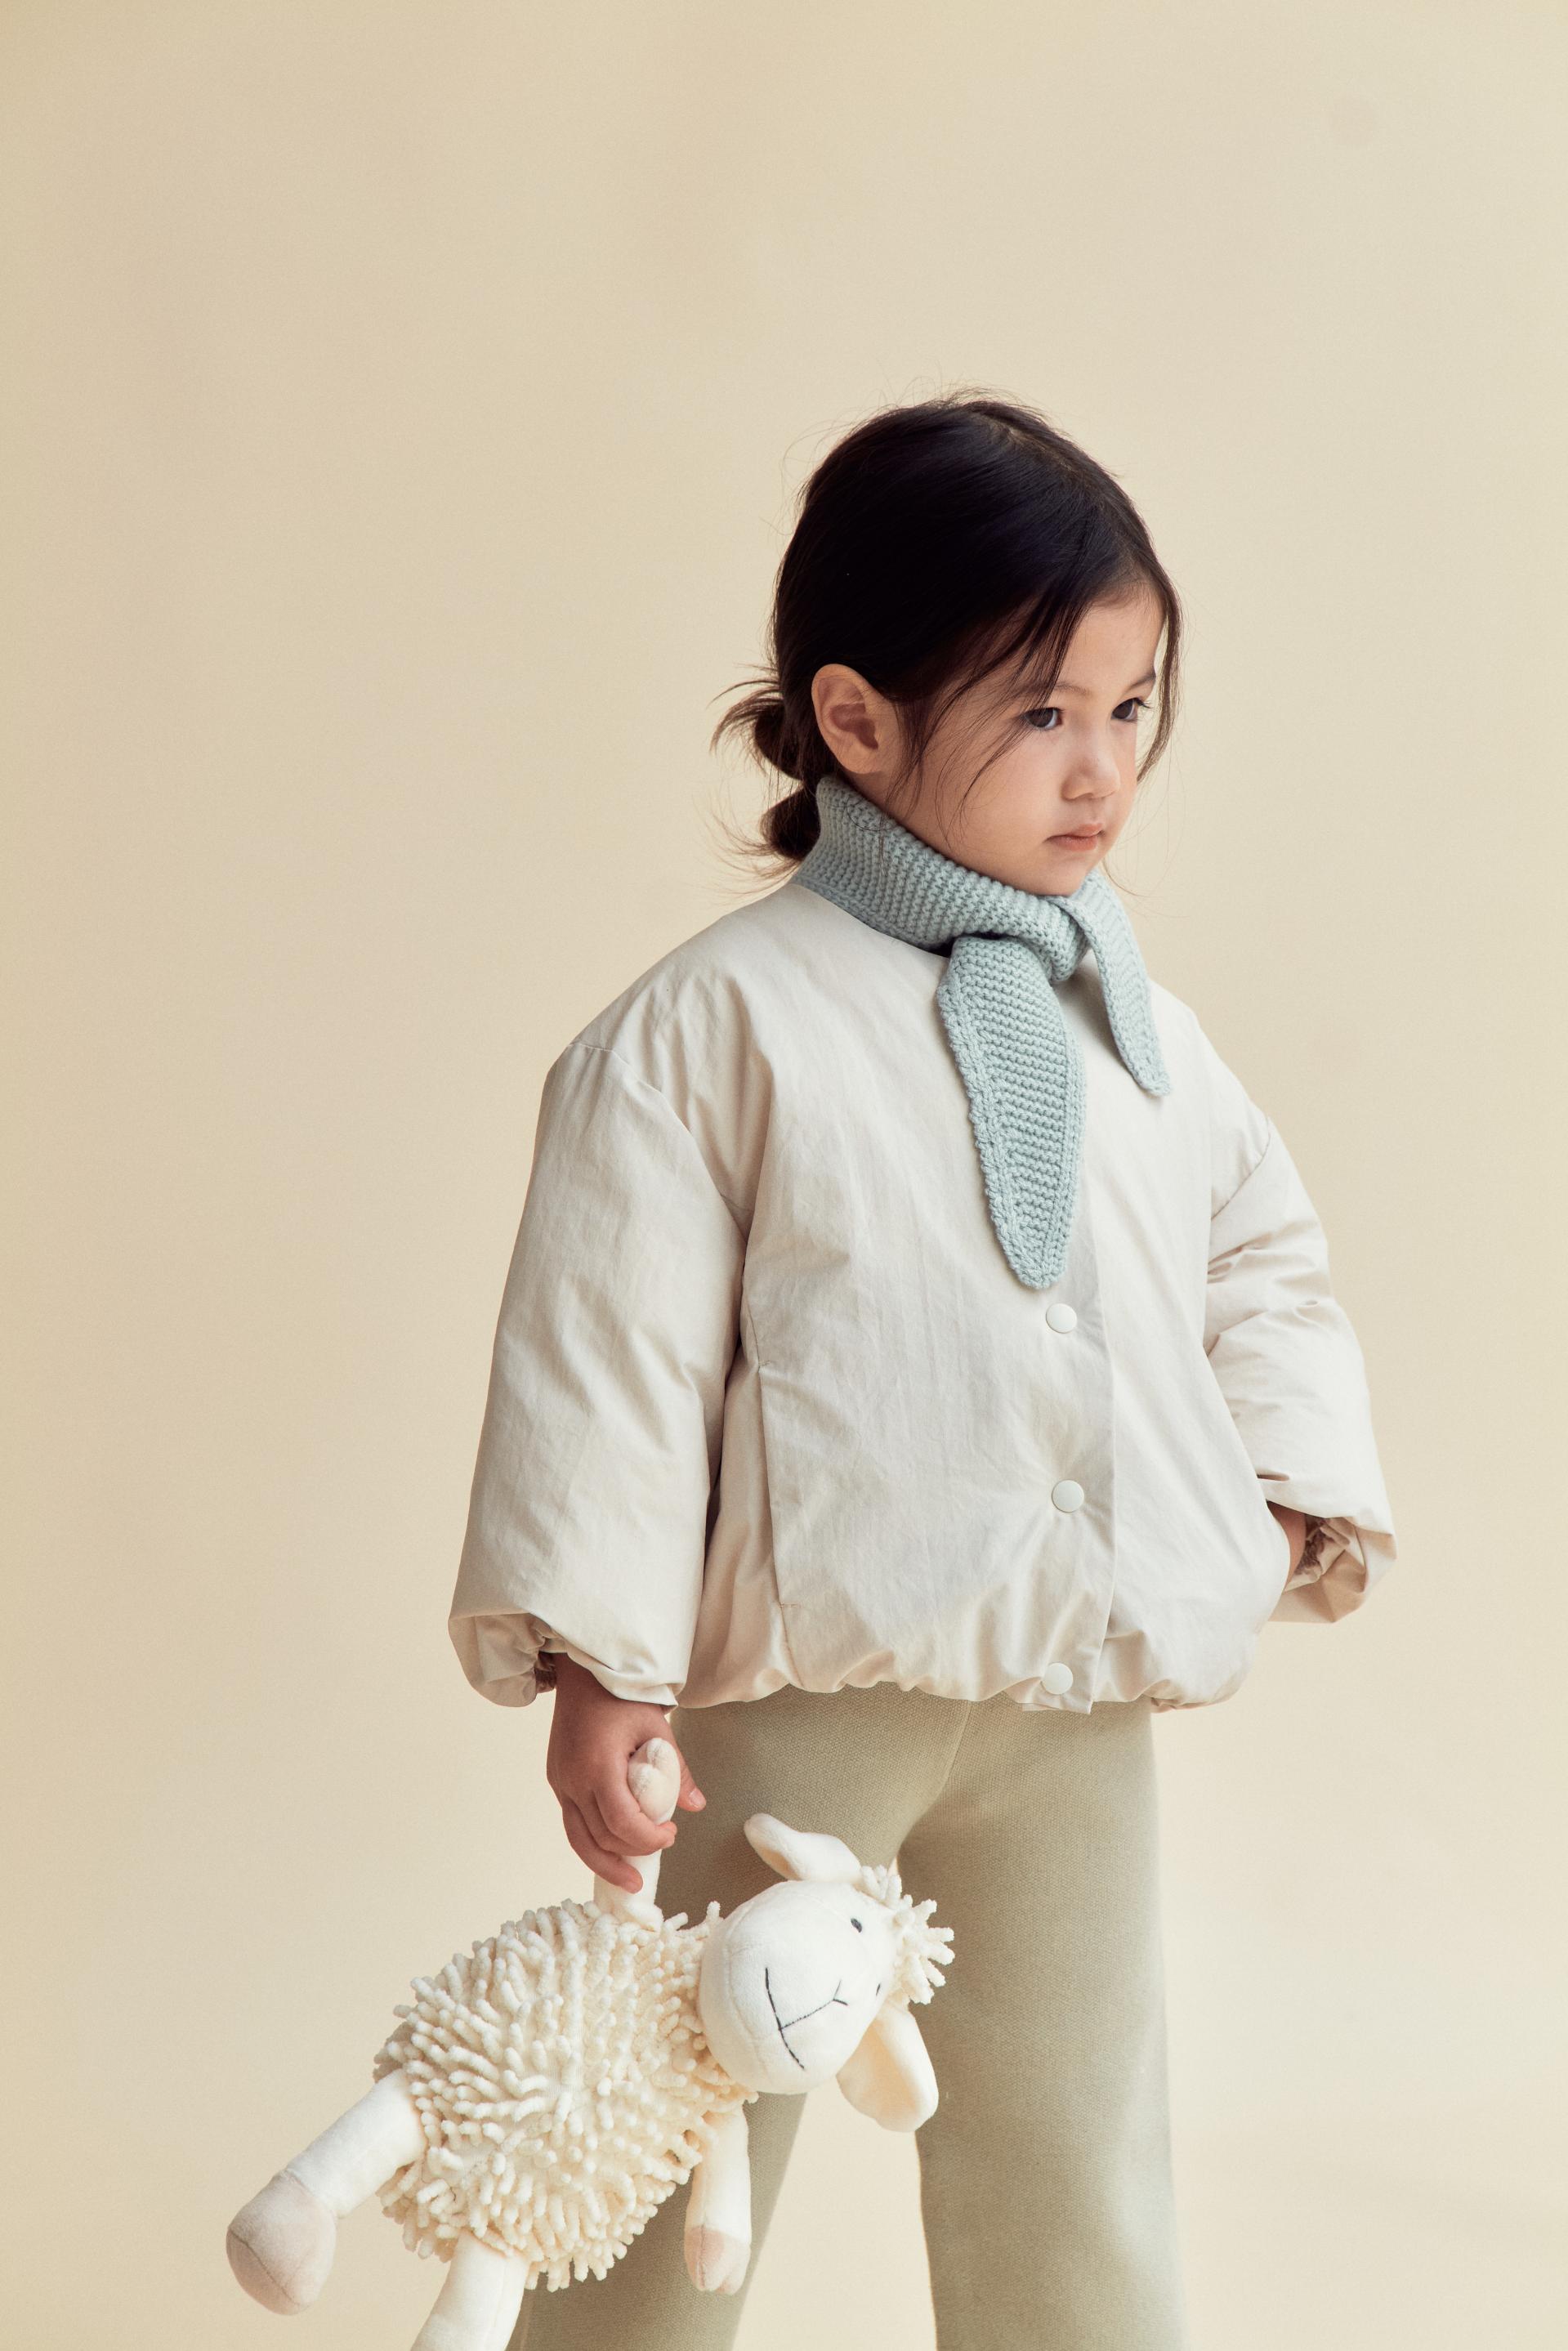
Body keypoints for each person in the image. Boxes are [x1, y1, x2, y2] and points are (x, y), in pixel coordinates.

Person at [448, 391, 1397, 2351]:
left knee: (1077, 2152)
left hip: (1070, 1691)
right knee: (675, 2136)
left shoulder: (1143, 1034)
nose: (1103, 765)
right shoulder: (714, 1030)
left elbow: (1260, 1259)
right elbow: (611, 1349)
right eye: (1042, 710)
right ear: (858, 723)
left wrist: (1284, 1499)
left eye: (1132, 707)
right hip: (805, 1697)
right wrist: (604, 1660)